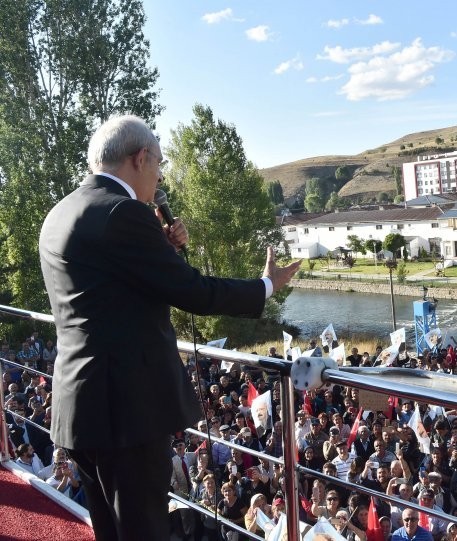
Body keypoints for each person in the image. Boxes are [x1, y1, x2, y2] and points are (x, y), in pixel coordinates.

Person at [37, 114, 300, 541]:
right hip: (128, 412)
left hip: (80, 405)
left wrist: (164, 249)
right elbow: (195, 292)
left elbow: (121, 292)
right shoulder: (124, 212)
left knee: (111, 531)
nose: (160, 176)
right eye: (159, 164)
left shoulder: (62, 211)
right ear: (140, 157)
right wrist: (265, 286)